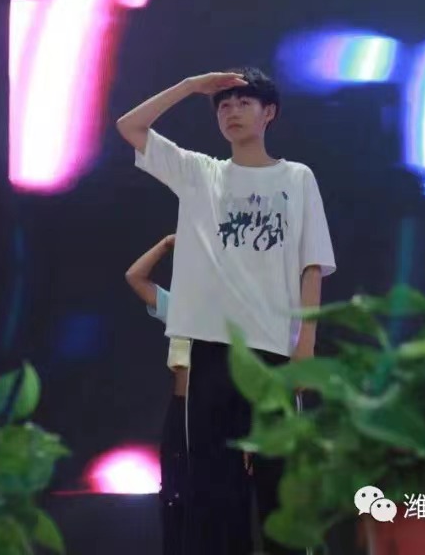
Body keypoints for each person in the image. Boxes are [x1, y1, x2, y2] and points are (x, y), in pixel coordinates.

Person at [116, 67, 335, 554]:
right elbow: (130, 127)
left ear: (269, 112)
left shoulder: (297, 178)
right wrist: (189, 86)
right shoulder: (200, 172)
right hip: (211, 352)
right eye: (223, 105)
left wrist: (306, 347)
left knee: (280, 489)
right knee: (214, 495)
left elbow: (312, 265)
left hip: (274, 353)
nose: (232, 112)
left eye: (244, 103)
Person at [124, 233, 196, 555]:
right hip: (181, 412)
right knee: (174, 496)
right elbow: (134, 276)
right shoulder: (181, 307)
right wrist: (166, 245)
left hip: (217, 412)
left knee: (212, 500)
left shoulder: (231, 311)